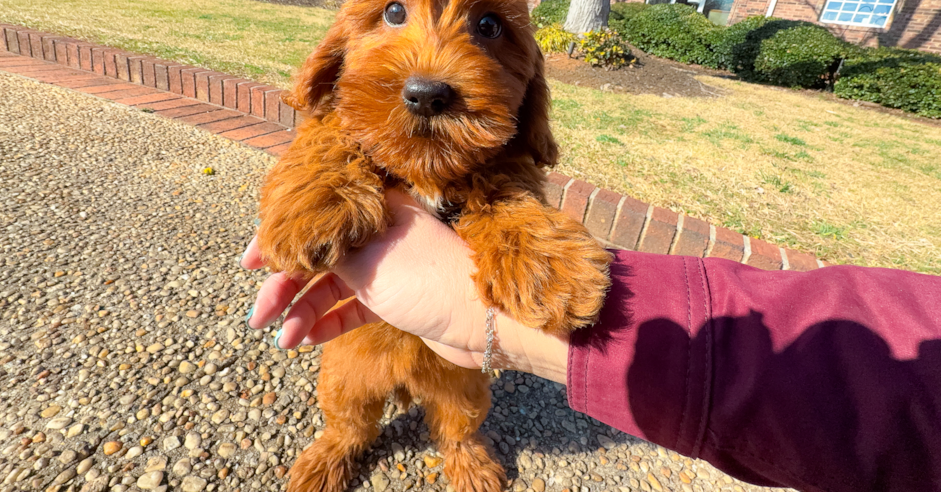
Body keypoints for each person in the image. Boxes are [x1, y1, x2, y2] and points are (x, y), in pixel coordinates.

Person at [240, 191, 941, 492]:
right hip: (364, 329)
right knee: (345, 391)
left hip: (456, 347)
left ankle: (457, 442)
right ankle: (342, 439)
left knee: (460, 400)